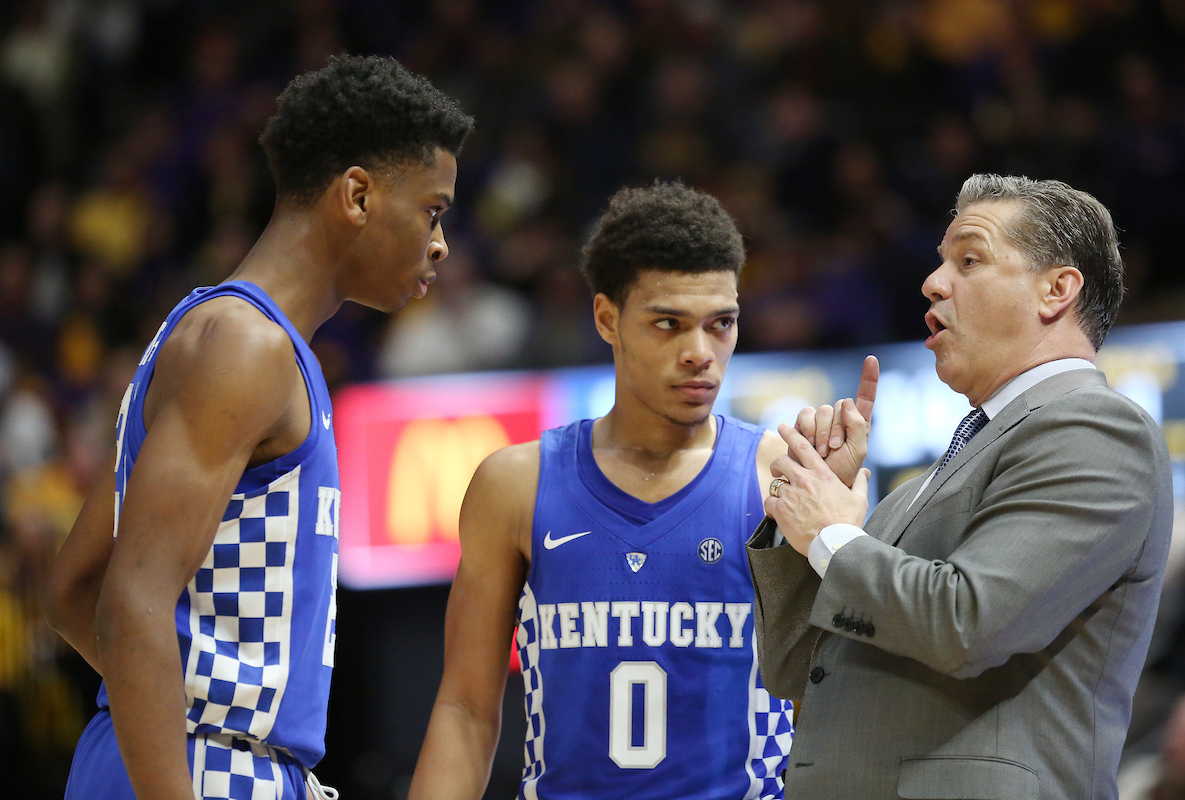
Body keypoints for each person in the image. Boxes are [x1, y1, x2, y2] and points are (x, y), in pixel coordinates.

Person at [45, 54, 473, 800]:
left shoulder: (223, 335)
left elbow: (74, 587)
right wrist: (193, 750)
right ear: (358, 194)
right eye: (432, 210)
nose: (439, 243)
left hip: (186, 759)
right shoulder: (247, 346)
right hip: (205, 768)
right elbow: (129, 602)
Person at [408, 180, 877, 800]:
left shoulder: (783, 475)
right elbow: (466, 709)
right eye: (669, 324)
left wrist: (841, 537)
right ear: (608, 318)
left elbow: (847, 694)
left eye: (721, 324)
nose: (700, 353)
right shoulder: (515, 482)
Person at [748, 173, 1173, 799]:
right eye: (941, 260)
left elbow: (965, 622)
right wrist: (803, 517)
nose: (933, 281)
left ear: (1057, 289)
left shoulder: (1097, 427)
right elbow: (795, 669)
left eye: (969, 260)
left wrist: (830, 533)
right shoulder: (930, 482)